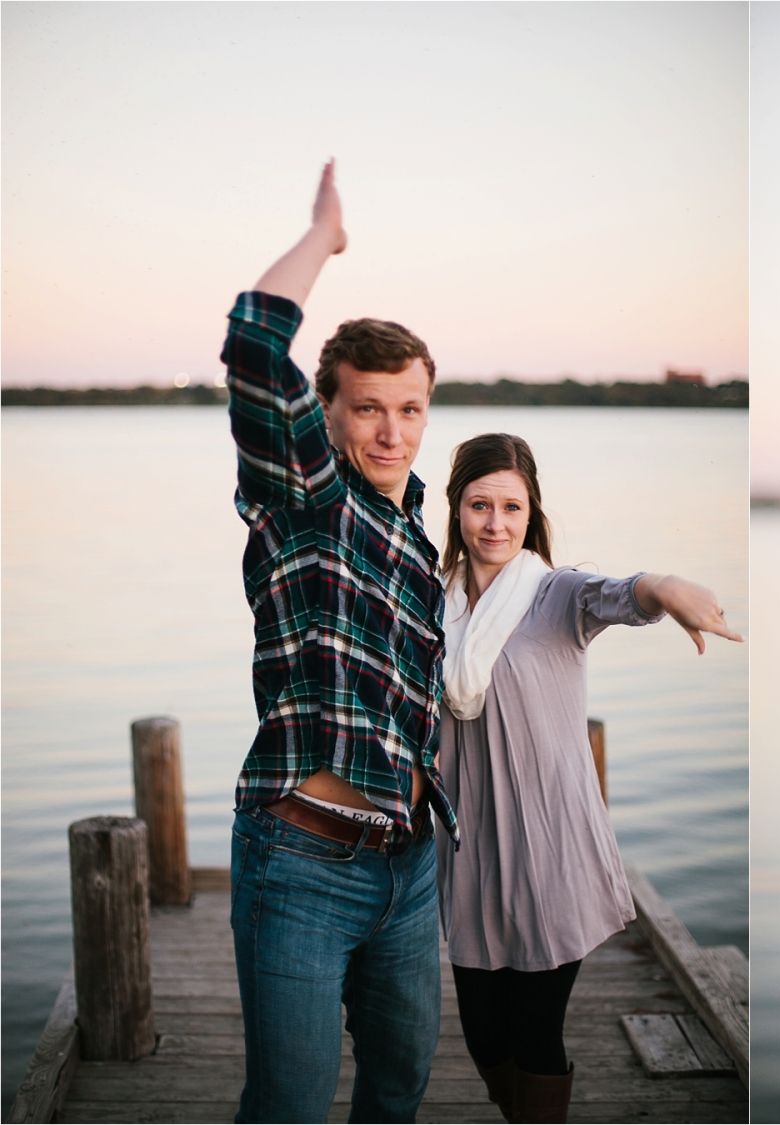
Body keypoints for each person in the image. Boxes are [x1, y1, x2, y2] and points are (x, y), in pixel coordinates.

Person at [222, 161, 455, 1122]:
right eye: (368, 407)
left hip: (408, 869)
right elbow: (251, 344)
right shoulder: (305, 497)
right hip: (303, 863)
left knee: (398, 1092)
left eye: (409, 408)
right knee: (289, 1106)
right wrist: (325, 235)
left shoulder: (417, 533)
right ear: (327, 412)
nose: (392, 431)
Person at [434, 432, 742, 1123]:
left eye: (511, 507)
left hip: (551, 855)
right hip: (470, 856)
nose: (494, 523)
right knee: (484, 1036)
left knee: (536, 1032)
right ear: (456, 508)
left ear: (531, 511)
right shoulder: (433, 606)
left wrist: (668, 587)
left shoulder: (556, 593)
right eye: (479, 504)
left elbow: (624, 593)